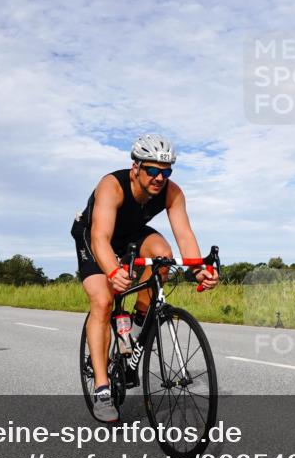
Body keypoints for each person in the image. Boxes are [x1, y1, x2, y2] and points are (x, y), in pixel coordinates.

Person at [71, 133, 219, 421]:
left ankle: (137, 325)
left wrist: (199, 269)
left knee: (162, 255)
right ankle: (102, 388)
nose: (159, 178)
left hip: (131, 236)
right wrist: (113, 272)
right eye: (152, 170)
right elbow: (101, 237)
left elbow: (184, 235)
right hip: (94, 236)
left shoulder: (172, 192)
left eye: (166, 172)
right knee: (102, 301)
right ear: (135, 167)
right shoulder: (112, 186)